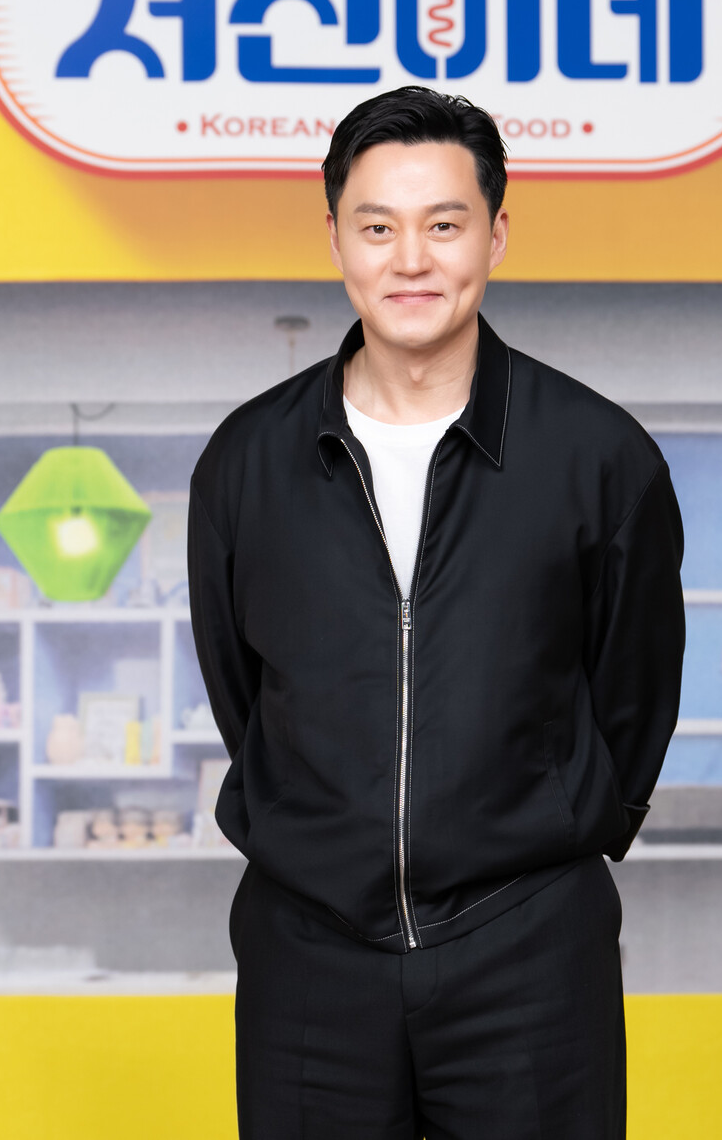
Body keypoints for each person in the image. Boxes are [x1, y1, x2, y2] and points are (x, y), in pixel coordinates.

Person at [187, 84, 686, 1139]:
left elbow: (635, 695)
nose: (410, 260)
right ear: (335, 239)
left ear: (496, 236)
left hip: (530, 949)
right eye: (377, 227)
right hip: (308, 955)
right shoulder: (247, 461)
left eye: (444, 225)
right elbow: (244, 689)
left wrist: (557, 828)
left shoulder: (599, 455)